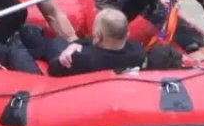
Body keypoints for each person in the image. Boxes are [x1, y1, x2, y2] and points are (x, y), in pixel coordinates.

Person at [15, 8, 146, 77]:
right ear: (126, 34)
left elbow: (53, 70)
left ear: (98, 36)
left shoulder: (81, 58)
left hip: (58, 60)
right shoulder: (138, 52)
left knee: (54, 43)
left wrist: (62, 58)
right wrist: (76, 44)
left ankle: (21, 40)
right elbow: (92, 44)